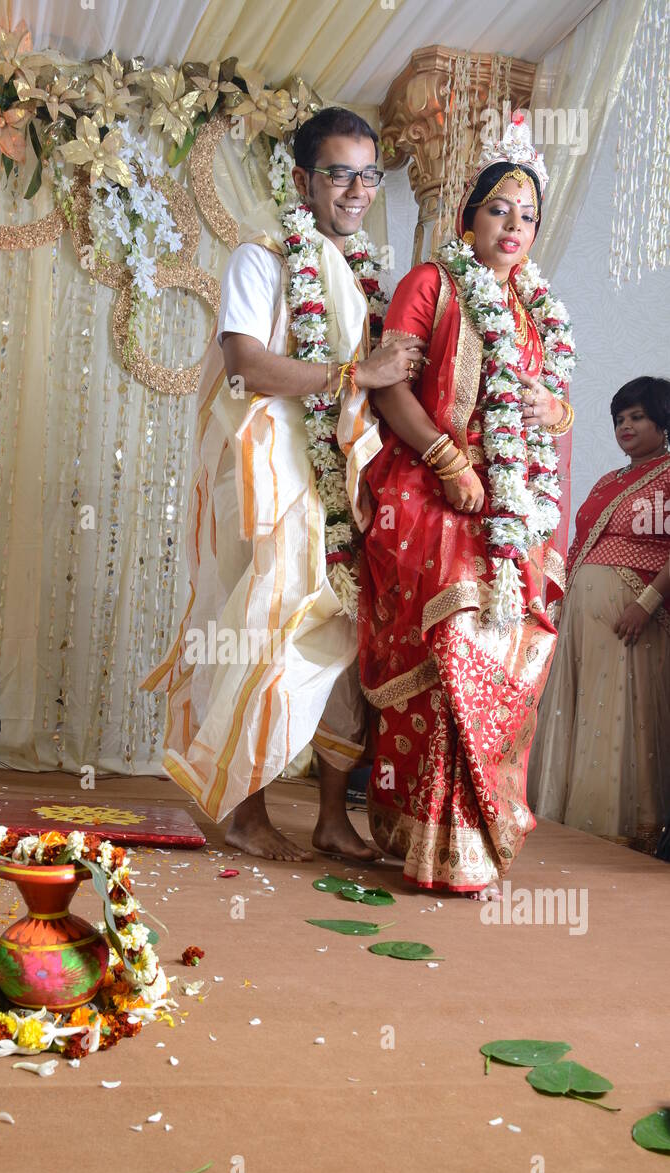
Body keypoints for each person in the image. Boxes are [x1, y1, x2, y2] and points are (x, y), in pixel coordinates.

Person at [142, 107, 422, 861]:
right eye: (340, 173)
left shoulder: (363, 278)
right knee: (269, 630)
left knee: (346, 636)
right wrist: (353, 372)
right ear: (302, 179)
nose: (357, 190)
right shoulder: (262, 259)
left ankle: (332, 818)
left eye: (368, 175)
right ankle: (244, 810)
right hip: (270, 479)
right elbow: (246, 364)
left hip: (343, 480)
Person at [355, 118, 575, 897]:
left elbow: (547, 407)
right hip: (429, 493)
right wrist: (446, 459)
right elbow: (387, 385)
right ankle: (424, 838)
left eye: (526, 216)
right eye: (498, 210)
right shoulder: (431, 284)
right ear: (465, 219)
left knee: (498, 661)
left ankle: (473, 841)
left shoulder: (534, 308)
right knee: (448, 655)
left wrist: (557, 412)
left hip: (508, 512)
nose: (513, 227)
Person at [529, 377, 670, 852]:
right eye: (619, 419)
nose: (625, 427)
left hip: (632, 619)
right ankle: (564, 821)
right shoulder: (609, 481)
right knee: (580, 710)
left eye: (637, 417)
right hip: (583, 620)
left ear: (662, 422)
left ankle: (618, 831)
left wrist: (646, 604)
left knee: (616, 719)